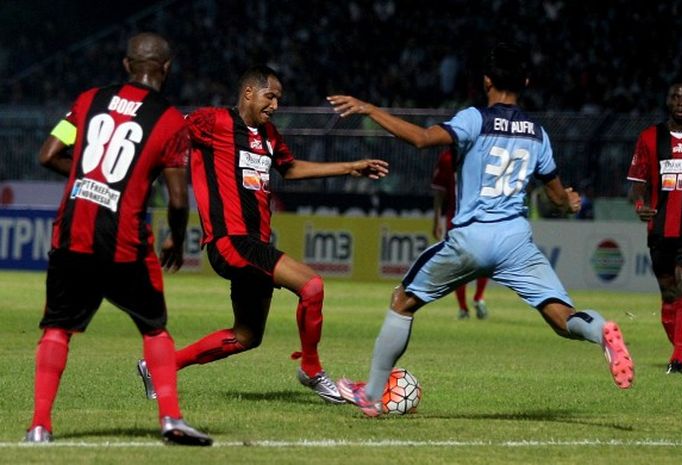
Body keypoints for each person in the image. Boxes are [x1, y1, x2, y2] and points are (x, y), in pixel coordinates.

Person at [327, 42, 635, 416]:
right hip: (516, 240)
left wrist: (371, 108)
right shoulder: (538, 134)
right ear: (524, 80)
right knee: (560, 315)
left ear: (487, 80)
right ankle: (600, 330)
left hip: (473, 236)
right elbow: (557, 199)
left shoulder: (475, 118)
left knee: (402, 301)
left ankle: (372, 394)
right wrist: (569, 201)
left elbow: (423, 139)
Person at [137, 65, 388, 404]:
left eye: (279, 100)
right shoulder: (212, 121)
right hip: (231, 240)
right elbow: (166, 133)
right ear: (249, 93)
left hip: (255, 244)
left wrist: (350, 167)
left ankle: (158, 367)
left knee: (246, 336)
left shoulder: (269, 136)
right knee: (312, 287)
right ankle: (312, 370)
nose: (275, 106)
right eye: (271, 96)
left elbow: (291, 168)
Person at [24, 32, 212, 446]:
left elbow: (47, 154)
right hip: (123, 239)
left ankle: (39, 426)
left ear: (127, 65)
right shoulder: (170, 121)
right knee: (154, 328)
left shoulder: (87, 99)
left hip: (72, 229)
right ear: (166, 68)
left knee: (57, 327)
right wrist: (176, 240)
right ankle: (171, 420)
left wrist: (91, 177)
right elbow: (179, 200)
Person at [628, 82, 682, 374]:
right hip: (659, 229)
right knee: (669, 295)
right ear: (668, 102)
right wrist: (639, 205)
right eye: (676, 96)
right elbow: (637, 181)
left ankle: (678, 357)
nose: (681, 101)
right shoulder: (649, 137)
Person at [432, 147, 489, 319]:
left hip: (476, 217)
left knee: (482, 259)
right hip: (459, 218)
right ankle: (465, 306)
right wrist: (437, 220)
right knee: (463, 263)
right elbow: (440, 191)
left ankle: (476, 299)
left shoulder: (478, 151)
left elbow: (439, 192)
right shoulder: (449, 156)